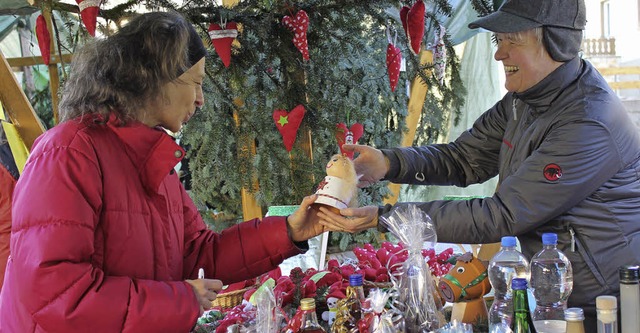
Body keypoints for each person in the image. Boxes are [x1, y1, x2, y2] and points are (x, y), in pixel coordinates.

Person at [317, 0, 640, 330]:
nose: (500, 54)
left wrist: (387, 218)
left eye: (513, 39)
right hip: (548, 292)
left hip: (603, 303)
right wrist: (390, 162)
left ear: (558, 41)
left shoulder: (586, 122)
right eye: (498, 41)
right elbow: (463, 159)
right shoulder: (524, 99)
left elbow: (501, 215)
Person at [0, 11, 328, 332]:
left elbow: (198, 254)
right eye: (195, 83)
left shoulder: (150, 158)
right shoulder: (68, 152)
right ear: (154, 77)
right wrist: (181, 298)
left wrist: (289, 231)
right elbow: (57, 295)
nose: (200, 100)